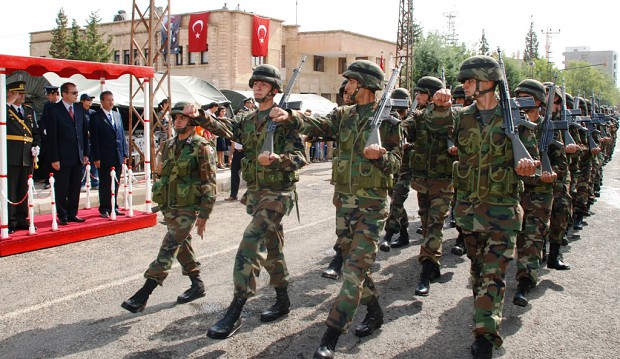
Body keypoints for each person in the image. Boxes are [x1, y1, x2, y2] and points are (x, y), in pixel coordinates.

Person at [272, 59, 402, 358]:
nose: (346, 87)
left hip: (371, 207)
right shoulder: (344, 116)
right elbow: (317, 124)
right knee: (354, 264)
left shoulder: (388, 122)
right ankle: (374, 309)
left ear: (366, 86)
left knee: (353, 272)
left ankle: (331, 335)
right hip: (344, 204)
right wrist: (289, 117)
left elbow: (397, 164)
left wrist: (380, 157)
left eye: (352, 82)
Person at [185, 64, 307, 339]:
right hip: (257, 194)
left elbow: (302, 158)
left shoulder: (284, 119)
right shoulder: (248, 119)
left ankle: (235, 310)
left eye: (264, 84)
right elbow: (224, 127)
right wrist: (201, 116)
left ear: (275, 90)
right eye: (255, 83)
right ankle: (283, 299)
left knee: (251, 243)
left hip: (279, 194)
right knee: (272, 249)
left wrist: (278, 160)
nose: (258, 86)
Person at [431, 55, 539, 358]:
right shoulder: (461, 116)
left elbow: (532, 157)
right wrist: (439, 105)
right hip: (469, 213)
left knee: (493, 274)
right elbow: (433, 126)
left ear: (487, 82)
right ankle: (484, 318)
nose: (464, 85)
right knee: (479, 271)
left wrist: (528, 166)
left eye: (469, 80)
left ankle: (485, 337)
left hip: (503, 212)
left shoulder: (514, 118)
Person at [121, 101, 217, 313]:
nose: (177, 120)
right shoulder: (170, 144)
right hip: (170, 205)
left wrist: (204, 214)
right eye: (175, 117)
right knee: (181, 244)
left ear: (192, 122)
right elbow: (163, 172)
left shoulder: (202, 147)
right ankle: (197, 284)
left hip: (188, 208)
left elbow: (209, 182)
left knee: (170, 245)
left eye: (181, 117)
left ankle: (143, 294)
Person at [511, 80, 570, 307]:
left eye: (526, 98)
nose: (521, 103)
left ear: (537, 101)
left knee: (533, 237)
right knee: (520, 238)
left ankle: (525, 282)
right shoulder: (516, 127)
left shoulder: (549, 128)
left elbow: (562, 164)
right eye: (518, 98)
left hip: (541, 193)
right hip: (518, 192)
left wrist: (551, 173)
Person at [404, 76, 454, 297]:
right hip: (423, 180)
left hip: (443, 181)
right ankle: (433, 263)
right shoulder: (418, 116)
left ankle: (425, 271)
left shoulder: (450, 116)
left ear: (433, 94)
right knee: (426, 223)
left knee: (435, 224)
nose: (417, 97)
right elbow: (405, 128)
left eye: (421, 93)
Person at [46, 82, 89, 225]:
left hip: (77, 155)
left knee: (75, 187)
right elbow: (52, 137)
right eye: (74, 93)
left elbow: (83, 133)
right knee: (62, 187)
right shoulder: (54, 110)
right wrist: (54, 158)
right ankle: (62, 215)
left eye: (77, 92)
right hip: (62, 157)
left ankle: (72, 213)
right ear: (64, 94)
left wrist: (85, 153)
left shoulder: (78, 109)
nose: (77, 95)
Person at [320, 79, 351, 281]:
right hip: (343, 179)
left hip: (367, 181)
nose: (347, 97)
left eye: (350, 92)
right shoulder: (340, 115)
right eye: (345, 94)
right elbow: (321, 126)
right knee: (343, 222)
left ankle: (341, 259)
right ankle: (341, 255)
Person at [379, 87, 414, 252]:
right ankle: (404, 232)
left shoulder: (414, 121)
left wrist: (410, 146)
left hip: (407, 169)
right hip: (394, 169)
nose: (399, 113)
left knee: (397, 201)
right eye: (396, 110)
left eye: (401, 110)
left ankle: (388, 235)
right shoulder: (390, 122)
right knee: (396, 202)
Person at [5, 81, 41, 234]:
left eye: (22, 93)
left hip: (27, 155)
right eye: (18, 93)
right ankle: (10, 221)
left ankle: (22, 218)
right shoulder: (4, 109)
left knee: (23, 189)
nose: (22, 96)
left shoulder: (28, 111)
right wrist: (6, 104)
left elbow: (35, 132)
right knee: (11, 190)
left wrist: (36, 145)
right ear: (10, 94)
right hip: (11, 154)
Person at [90, 91, 128, 218]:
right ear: (102, 101)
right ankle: (104, 207)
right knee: (105, 182)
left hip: (117, 154)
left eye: (112, 99)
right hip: (104, 155)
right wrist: (96, 157)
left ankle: (114, 206)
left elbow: (122, 135)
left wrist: (125, 152)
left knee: (116, 182)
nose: (111, 102)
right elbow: (94, 139)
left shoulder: (117, 115)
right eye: (108, 100)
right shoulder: (96, 117)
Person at [38, 85, 60, 189]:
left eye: (50, 95)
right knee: (48, 158)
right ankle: (48, 179)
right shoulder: (47, 105)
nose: (48, 97)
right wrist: (44, 129)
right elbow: (43, 119)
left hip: (60, 136)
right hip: (49, 137)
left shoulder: (61, 105)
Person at [77, 93, 99, 191]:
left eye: (91, 100)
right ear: (82, 101)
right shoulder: (78, 112)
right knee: (83, 162)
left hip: (92, 140)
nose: (90, 102)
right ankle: (81, 182)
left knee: (94, 161)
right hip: (82, 141)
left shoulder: (93, 113)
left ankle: (94, 181)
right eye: (88, 100)